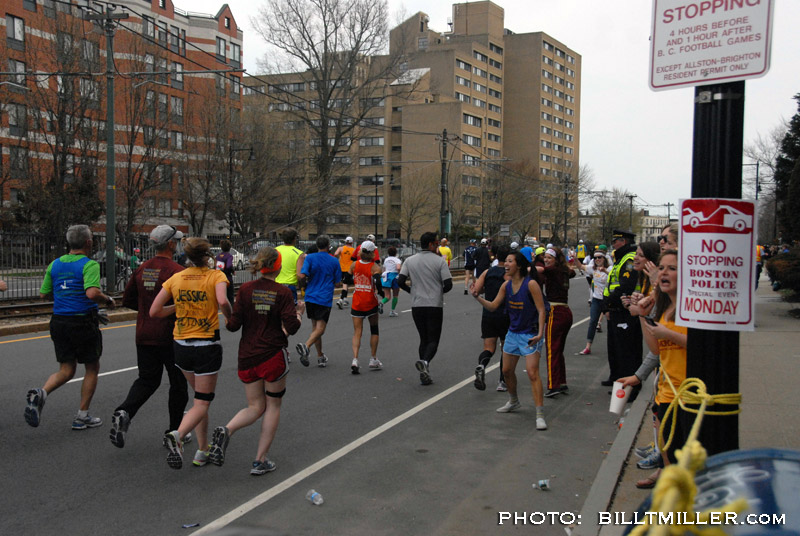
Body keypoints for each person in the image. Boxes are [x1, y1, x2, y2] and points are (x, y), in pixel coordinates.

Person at [208, 247, 304, 475]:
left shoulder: (246, 289)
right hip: (272, 355)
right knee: (273, 405)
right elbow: (292, 327)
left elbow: (233, 325)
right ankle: (260, 460)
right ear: (278, 266)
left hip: (247, 355)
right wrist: (299, 312)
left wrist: (226, 312)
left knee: (255, 406)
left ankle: (227, 429)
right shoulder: (282, 293)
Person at [150, 237, 232, 470]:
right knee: (202, 403)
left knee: (198, 400)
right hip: (206, 344)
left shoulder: (176, 278)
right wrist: (230, 316)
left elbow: (154, 311)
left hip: (181, 344)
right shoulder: (216, 276)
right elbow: (222, 300)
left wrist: (177, 306)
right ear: (207, 255)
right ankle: (177, 435)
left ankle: (202, 450)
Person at [25, 224, 116, 430]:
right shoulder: (89, 264)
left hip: (59, 322)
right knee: (92, 367)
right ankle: (82, 416)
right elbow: (92, 293)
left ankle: (42, 393)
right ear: (88, 242)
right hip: (82, 322)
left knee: (66, 369)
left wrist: (64, 294)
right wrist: (108, 300)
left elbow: (43, 293)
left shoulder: (55, 264)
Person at [110, 225, 188, 449]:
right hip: (170, 335)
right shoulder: (177, 271)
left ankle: (125, 411)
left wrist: (147, 310)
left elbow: (128, 300)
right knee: (178, 384)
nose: (178, 245)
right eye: (177, 241)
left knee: (147, 380)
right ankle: (174, 431)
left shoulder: (142, 268)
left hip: (144, 333)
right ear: (171, 244)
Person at [617, 250, 686, 489]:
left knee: (684, 458)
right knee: (667, 451)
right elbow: (656, 348)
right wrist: (643, 316)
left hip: (688, 395)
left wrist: (667, 333)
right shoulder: (665, 309)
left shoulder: (690, 308)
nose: (663, 273)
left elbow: (703, 345)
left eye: (672, 268)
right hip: (667, 391)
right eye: (662, 267)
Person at [472, 252, 548, 429]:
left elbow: (541, 310)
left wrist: (540, 334)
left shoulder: (531, 284)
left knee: (532, 373)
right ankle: (513, 401)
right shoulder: (506, 286)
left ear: (518, 266)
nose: (505, 264)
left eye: (510, 261)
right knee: (506, 371)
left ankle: (539, 414)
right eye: (505, 261)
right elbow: (493, 306)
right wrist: (477, 297)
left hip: (530, 334)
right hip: (513, 333)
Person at [398, 231, 453, 385]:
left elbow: (400, 281)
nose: (438, 246)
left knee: (423, 338)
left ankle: (424, 372)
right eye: (436, 243)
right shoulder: (439, 261)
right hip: (434, 304)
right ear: (430, 244)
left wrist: (411, 291)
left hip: (417, 305)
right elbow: (448, 284)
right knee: (433, 339)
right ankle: (425, 362)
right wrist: (439, 291)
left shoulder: (409, 261)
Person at [602, 230, 642, 387]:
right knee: (614, 347)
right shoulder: (620, 259)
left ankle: (627, 383)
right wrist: (606, 306)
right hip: (615, 309)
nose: (613, 244)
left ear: (623, 241)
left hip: (625, 309)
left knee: (626, 350)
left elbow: (626, 286)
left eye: (615, 241)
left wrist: (608, 302)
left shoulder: (629, 259)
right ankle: (616, 377)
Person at [295, 235, 341, 368]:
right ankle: (306, 346)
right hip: (324, 297)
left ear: (317, 245)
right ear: (328, 246)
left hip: (310, 296)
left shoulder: (310, 258)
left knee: (315, 328)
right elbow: (338, 283)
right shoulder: (334, 261)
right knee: (320, 329)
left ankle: (320, 356)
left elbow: (302, 275)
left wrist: (303, 286)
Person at [471, 244, 511, 392]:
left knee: (488, 348)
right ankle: (502, 381)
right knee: (505, 348)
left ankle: (482, 365)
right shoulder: (510, 274)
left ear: (496, 256)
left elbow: (477, 290)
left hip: (488, 314)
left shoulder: (487, 272)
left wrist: (486, 289)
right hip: (506, 314)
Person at [536, 247, 575, 397]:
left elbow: (539, 270)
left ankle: (553, 385)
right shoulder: (564, 270)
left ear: (555, 259)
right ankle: (562, 382)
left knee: (552, 350)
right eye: (545, 257)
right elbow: (572, 272)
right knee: (558, 350)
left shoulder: (552, 270)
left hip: (555, 312)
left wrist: (522, 267)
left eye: (549, 258)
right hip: (566, 311)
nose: (546, 260)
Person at [349, 241, 385, 374]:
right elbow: (378, 282)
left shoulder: (354, 264)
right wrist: (381, 293)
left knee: (357, 331)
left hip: (357, 301)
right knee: (374, 329)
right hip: (370, 301)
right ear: (372, 253)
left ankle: (355, 359)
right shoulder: (375, 267)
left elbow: (347, 278)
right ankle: (373, 358)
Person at [577, 251, 609, 355]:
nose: (597, 259)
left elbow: (615, 278)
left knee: (611, 323)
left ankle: (614, 347)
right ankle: (588, 347)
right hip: (596, 299)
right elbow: (581, 266)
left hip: (607, 300)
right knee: (593, 322)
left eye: (599, 257)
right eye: (595, 258)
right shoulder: (593, 268)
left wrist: (605, 271)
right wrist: (575, 258)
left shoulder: (610, 268)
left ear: (604, 258)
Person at [275, 228, 305, 303]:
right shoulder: (299, 253)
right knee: (290, 309)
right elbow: (299, 275)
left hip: (275, 285)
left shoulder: (275, 250)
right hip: (289, 286)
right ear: (294, 239)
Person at [334, 236, 355, 308]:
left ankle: (345, 298)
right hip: (349, 270)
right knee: (345, 284)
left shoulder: (341, 248)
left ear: (345, 242)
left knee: (345, 283)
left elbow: (335, 254)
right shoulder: (353, 250)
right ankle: (341, 299)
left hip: (341, 268)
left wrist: (340, 257)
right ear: (352, 243)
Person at [380, 246, 402, 317]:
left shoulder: (386, 259)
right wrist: (400, 273)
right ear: (395, 252)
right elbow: (398, 268)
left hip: (386, 276)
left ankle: (381, 302)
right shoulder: (397, 260)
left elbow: (383, 269)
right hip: (394, 277)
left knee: (387, 296)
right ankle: (392, 311)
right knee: (395, 295)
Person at [215, 239, 236, 306]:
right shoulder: (229, 256)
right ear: (229, 248)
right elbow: (229, 265)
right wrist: (232, 270)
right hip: (227, 277)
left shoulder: (218, 256)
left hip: (219, 278)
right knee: (230, 296)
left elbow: (216, 267)